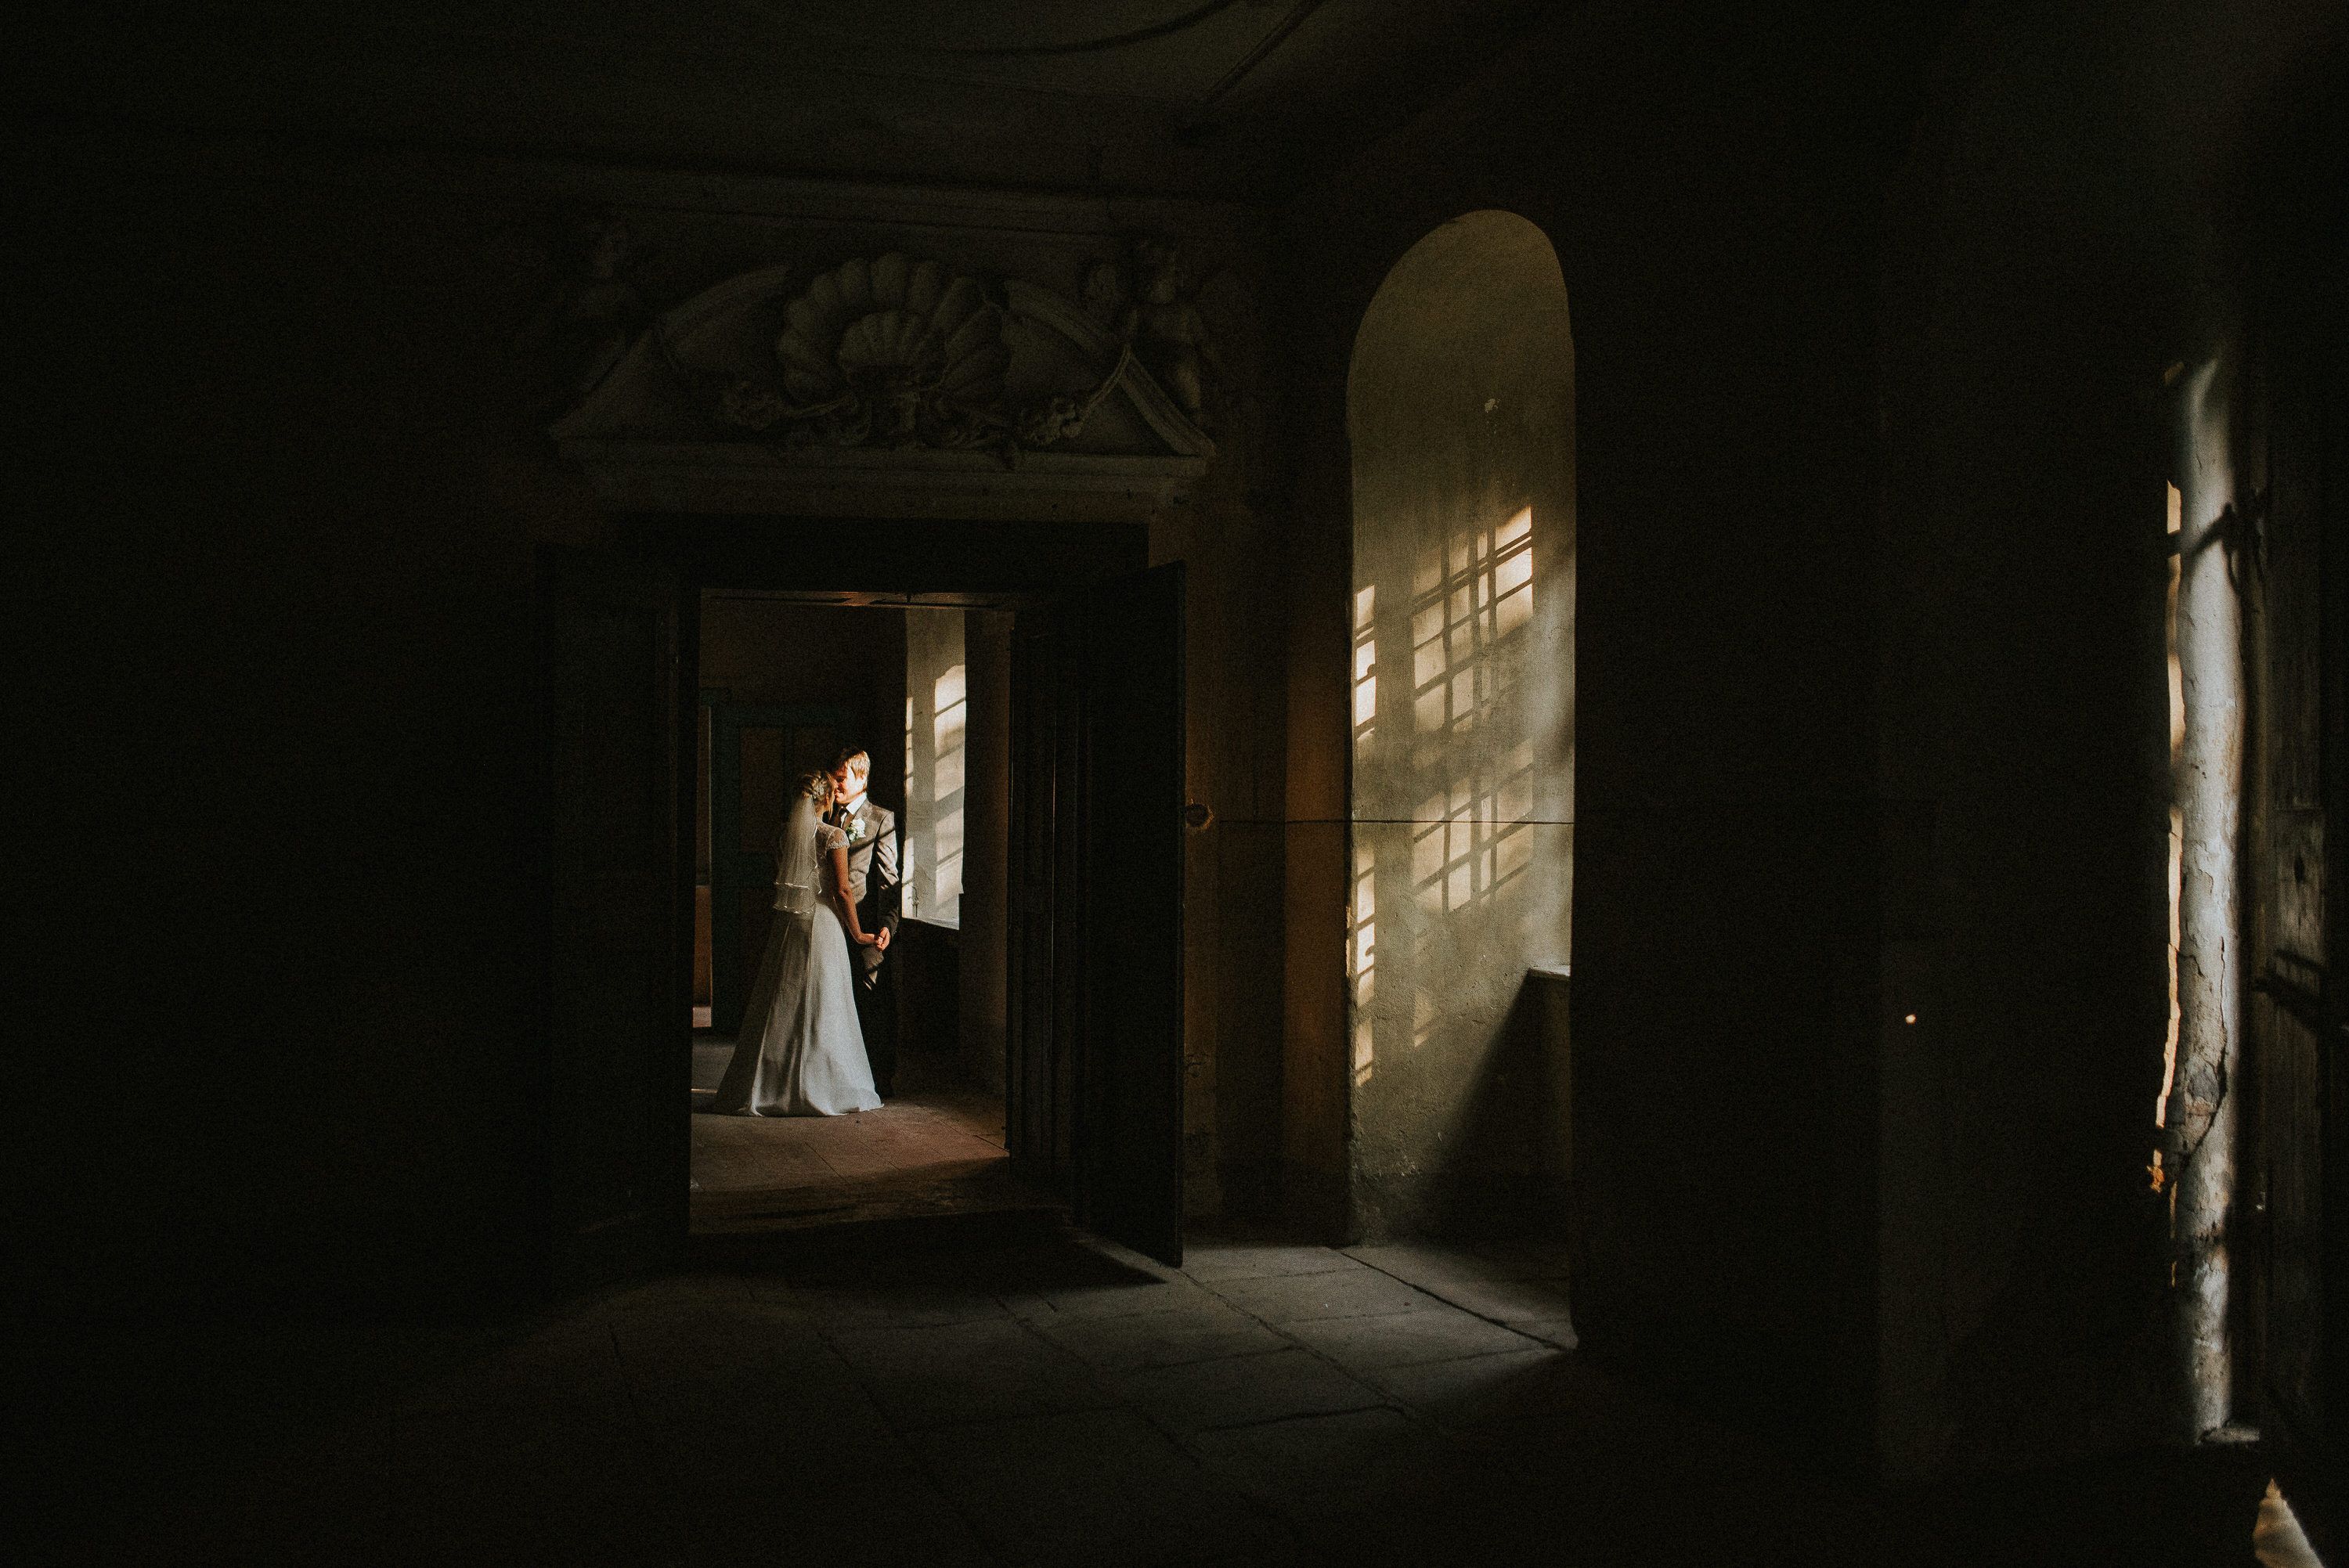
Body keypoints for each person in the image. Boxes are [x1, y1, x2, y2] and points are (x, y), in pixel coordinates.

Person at [709, 770, 882, 1116]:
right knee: (823, 1005)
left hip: (789, 925)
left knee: (781, 1003)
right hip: (822, 926)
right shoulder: (833, 836)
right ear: (825, 798)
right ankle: (821, 1085)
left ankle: (769, 1084)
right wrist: (860, 935)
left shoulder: (786, 836)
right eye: (833, 790)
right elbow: (842, 890)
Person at [826, 747, 901, 1097]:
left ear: (862, 778)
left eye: (842, 778)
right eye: (835, 777)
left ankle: (879, 1080)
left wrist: (888, 923)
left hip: (866, 926)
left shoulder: (881, 819)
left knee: (872, 1003)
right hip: (827, 924)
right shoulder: (824, 814)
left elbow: (889, 880)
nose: (836, 784)